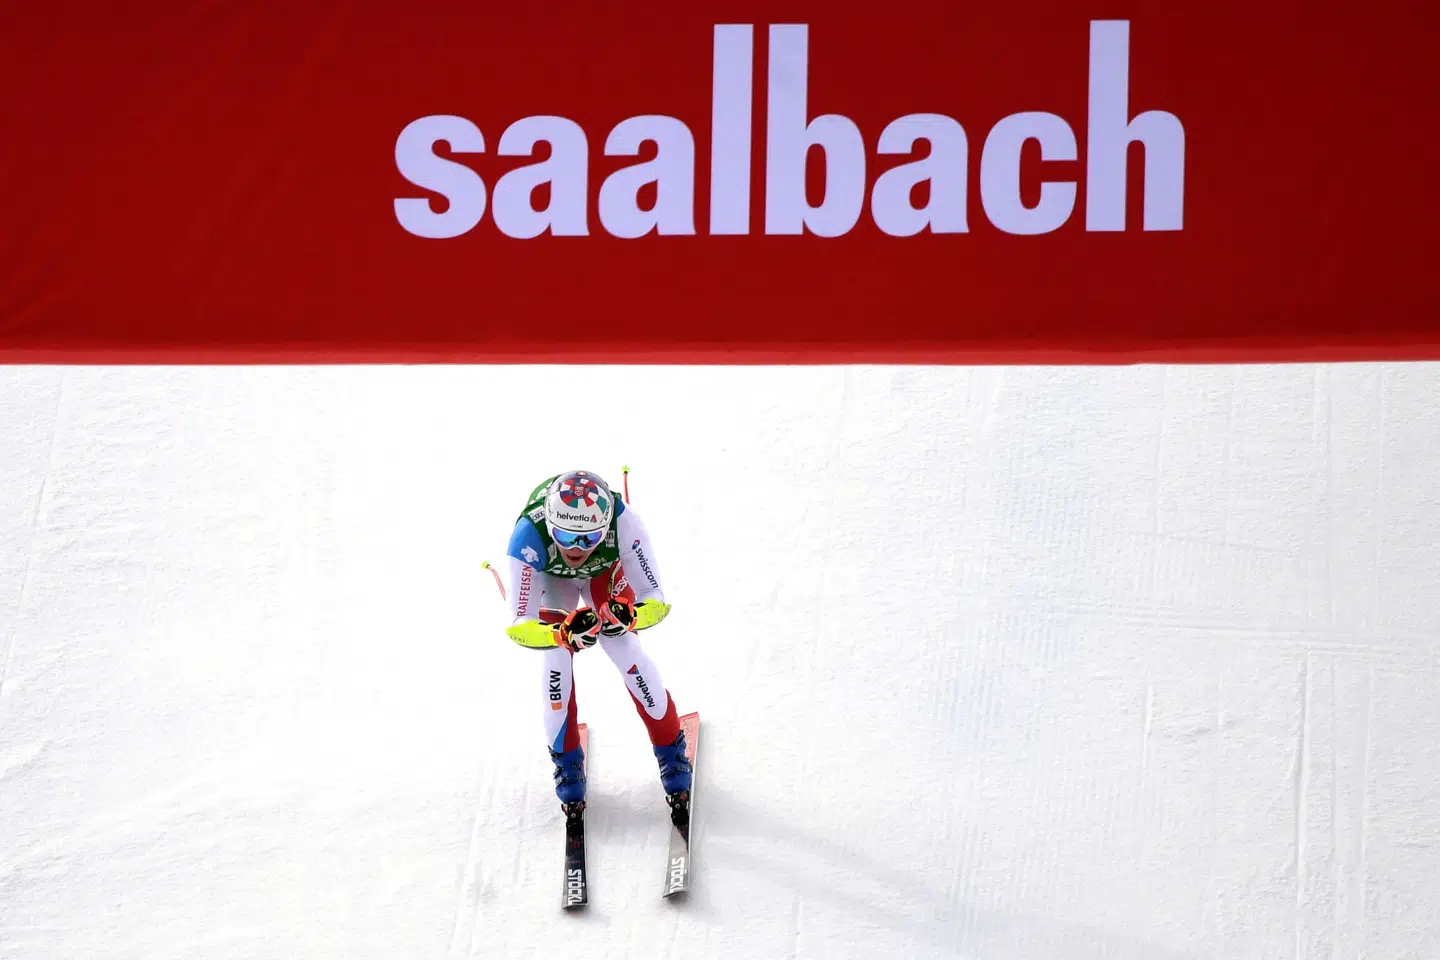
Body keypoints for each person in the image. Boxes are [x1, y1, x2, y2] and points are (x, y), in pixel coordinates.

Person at [503, 469, 692, 824]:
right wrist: (561, 635)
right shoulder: (528, 534)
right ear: (550, 526)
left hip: (603, 575)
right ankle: (567, 765)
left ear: (605, 528)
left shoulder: (625, 522)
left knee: (624, 647)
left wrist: (630, 617)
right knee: (556, 659)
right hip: (551, 580)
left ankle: (671, 751)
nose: (576, 550)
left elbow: (656, 599)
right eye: (564, 536)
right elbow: (519, 626)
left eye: (589, 538)